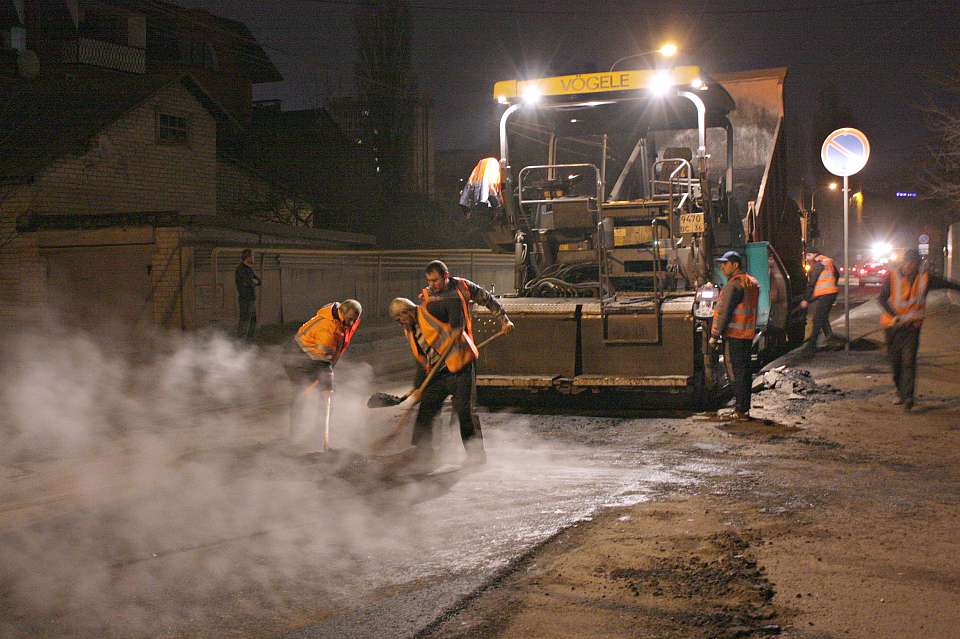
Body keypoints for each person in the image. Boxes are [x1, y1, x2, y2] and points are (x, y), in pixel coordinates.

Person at [403, 260, 513, 470]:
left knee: (464, 410)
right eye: (429, 281)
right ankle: (423, 454)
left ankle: (476, 457)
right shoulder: (425, 297)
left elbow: (487, 299)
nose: (432, 284)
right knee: (428, 406)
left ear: (446, 276)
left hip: (462, 357)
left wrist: (504, 320)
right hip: (439, 363)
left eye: (435, 280)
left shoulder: (463, 286)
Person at [878, 250, 960, 411]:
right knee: (896, 362)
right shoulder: (892, 277)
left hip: (913, 327)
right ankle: (900, 392)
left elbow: (948, 284)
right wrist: (894, 316)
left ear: (917, 264)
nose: (910, 267)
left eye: (914, 264)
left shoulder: (925, 278)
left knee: (909, 361)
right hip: (892, 326)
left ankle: (909, 397)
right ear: (903, 262)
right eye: (908, 263)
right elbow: (882, 299)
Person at [283, 299, 362, 450]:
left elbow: (325, 360)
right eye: (350, 319)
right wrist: (327, 386)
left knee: (325, 396)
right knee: (303, 394)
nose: (352, 323)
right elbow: (323, 363)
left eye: (355, 320)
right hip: (297, 359)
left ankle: (318, 434)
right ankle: (295, 439)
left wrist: (327, 386)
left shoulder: (340, 315)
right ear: (341, 313)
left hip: (313, 356)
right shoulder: (328, 330)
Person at [708, 251, 760, 421]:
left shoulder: (734, 285)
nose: (722, 267)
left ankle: (740, 410)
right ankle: (744, 408)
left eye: (725, 263)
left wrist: (715, 335)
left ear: (735, 265)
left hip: (734, 335)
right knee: (745, 372)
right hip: (747, 333)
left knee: (735, 373)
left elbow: (724, 312)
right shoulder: (751, 282)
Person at [798, 249, 839, 359]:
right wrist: (832, 286)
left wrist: (806, 300)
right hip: (829, 293)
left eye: (808, 255)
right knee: (822, 317)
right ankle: (830, 338)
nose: (807, 258)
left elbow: (811, 284)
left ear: (815, 255)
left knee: (817, 319)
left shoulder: (817, 265)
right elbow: (837, 274)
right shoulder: (827, 261)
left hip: (826, 294)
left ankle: (811, 348)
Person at [235, 249, 261, 342]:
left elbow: (257, 281)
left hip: (251, 299)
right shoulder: (241, 269)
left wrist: (254, 282)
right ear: (248, 257)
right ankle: (240, 342)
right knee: (245, 320)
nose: (253, 258)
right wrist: (253, 283)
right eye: (252, 256)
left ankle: (249, 341)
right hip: (245, 299)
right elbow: (249, 283)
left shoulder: (249, 269)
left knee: (253, 320)